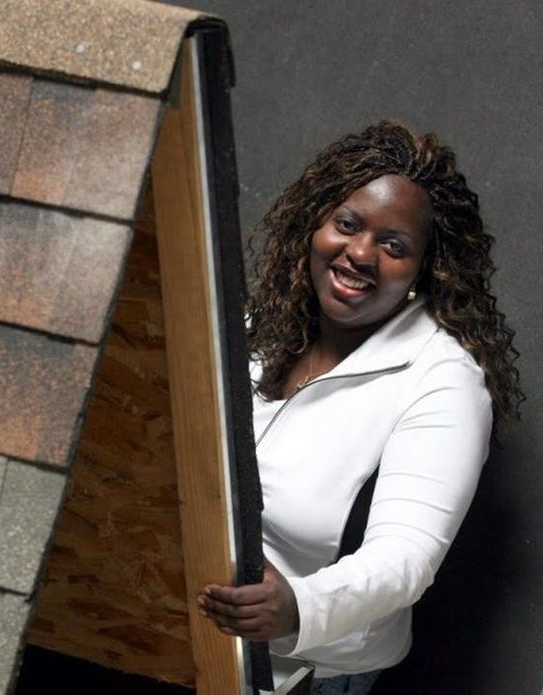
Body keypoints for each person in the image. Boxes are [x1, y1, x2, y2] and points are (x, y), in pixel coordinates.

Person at [195, 121, 523, 693]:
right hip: (194, 632)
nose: (361, 253)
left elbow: (405, 557)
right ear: (315, 225)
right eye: (347, 224)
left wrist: (299, 605)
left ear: (426, 268)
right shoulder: (260, 325)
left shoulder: (443, 382)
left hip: (310, 672)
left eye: (395, 246)